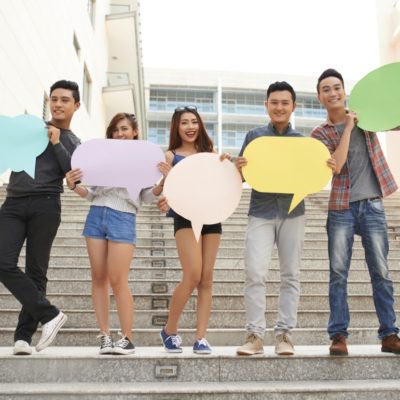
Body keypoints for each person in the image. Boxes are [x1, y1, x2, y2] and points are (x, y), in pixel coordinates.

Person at [235, 81, 332, 357]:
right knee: (255, 272)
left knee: (291, 275)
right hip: (260, 212)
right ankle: (255, 335)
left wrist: (326, 167)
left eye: (285, 103)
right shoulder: (254, 137)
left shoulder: (303, 143)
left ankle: (284, 335)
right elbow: (242, 177)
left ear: (293, 107)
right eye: (274, 102)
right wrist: (237, 167)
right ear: (266, 105)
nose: (279, 107)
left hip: (293, 212)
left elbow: (312, 176)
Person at [311, 68, 400, 356]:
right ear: (319, 97)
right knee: (338, 273)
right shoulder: (320, 134)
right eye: (326, 89)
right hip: (341, 207)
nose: (333, 93)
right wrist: (348, 128)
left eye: (337, 87)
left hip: (372, 204)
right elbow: (336, 166)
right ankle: (338, 336)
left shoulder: (366, 118)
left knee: (381, 272)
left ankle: (389, 334)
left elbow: (392, 118)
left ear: (344, 90)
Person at [66, 112, 164, 355]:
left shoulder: (143, 161)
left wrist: (161, 185)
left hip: (124, 217)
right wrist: (74, 186)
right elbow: (92, 194)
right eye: (115, 130)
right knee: (98, 278)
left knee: (118, 279)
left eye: (124, 129)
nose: (120, 133)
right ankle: (105, 336)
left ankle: (127, 338)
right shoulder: (102, 157)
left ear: (134, 133)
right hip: (96, 214)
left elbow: (145, 197)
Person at [0, 80, 81, 355]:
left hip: (46, 205)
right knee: (3, 262)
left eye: (64, 100)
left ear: (76, 105)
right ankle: (50, 314)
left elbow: (73, 174)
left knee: (36, 272)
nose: (57, 104)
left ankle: (23, 338)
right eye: (54, 99)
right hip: (13, 202)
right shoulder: (32, 129)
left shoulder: (74, 142)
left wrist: (56, 143)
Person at [157, 105, 226, 354]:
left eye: (194, 122)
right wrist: (166, 180)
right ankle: (169, 330)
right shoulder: (170, 156)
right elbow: (161, 191)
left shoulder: (210, 154)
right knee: (193, 274)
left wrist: (228, 167)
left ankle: (201, 338)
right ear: (176, 127)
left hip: (211, 215)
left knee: (206, 278)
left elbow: (221, 184)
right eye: (184, 122)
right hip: (184, 216)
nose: (190, 127)